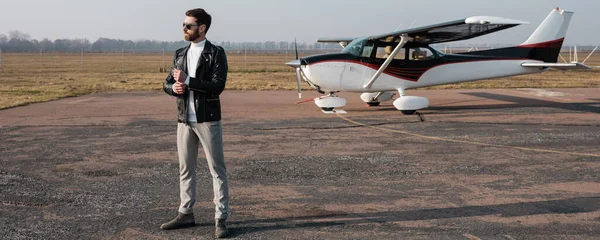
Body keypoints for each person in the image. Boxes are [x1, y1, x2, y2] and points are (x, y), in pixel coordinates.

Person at [161, 8, 230, 238]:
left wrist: (188, 81)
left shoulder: (215, 53)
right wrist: (174, 88)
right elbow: (167, 83)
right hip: (184, 120)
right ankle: (185, 214)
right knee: (185, 170)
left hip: (208, 120)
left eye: (188, 25)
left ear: (202, 28)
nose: (184, 28)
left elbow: (217, 85)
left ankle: (220, 219)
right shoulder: (180, 53)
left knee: (217, 171)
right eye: (183, 24)